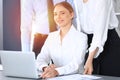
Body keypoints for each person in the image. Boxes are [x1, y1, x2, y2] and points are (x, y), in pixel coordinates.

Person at [36, 1, 88, 78]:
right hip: (55, 77)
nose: (58, 17)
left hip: (75, 77)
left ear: (71, 14)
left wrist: (57, 71)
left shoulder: (81, 37)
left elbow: (76, 64)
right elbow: (41, 58)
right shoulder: (51, 37)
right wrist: (45, 68)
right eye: (55, 14)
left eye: (62, 13)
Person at [74, 0, 120, 76]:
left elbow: (99, 32)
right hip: (89, 44)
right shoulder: (77, 1)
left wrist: (90, 59)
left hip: (108, 43)